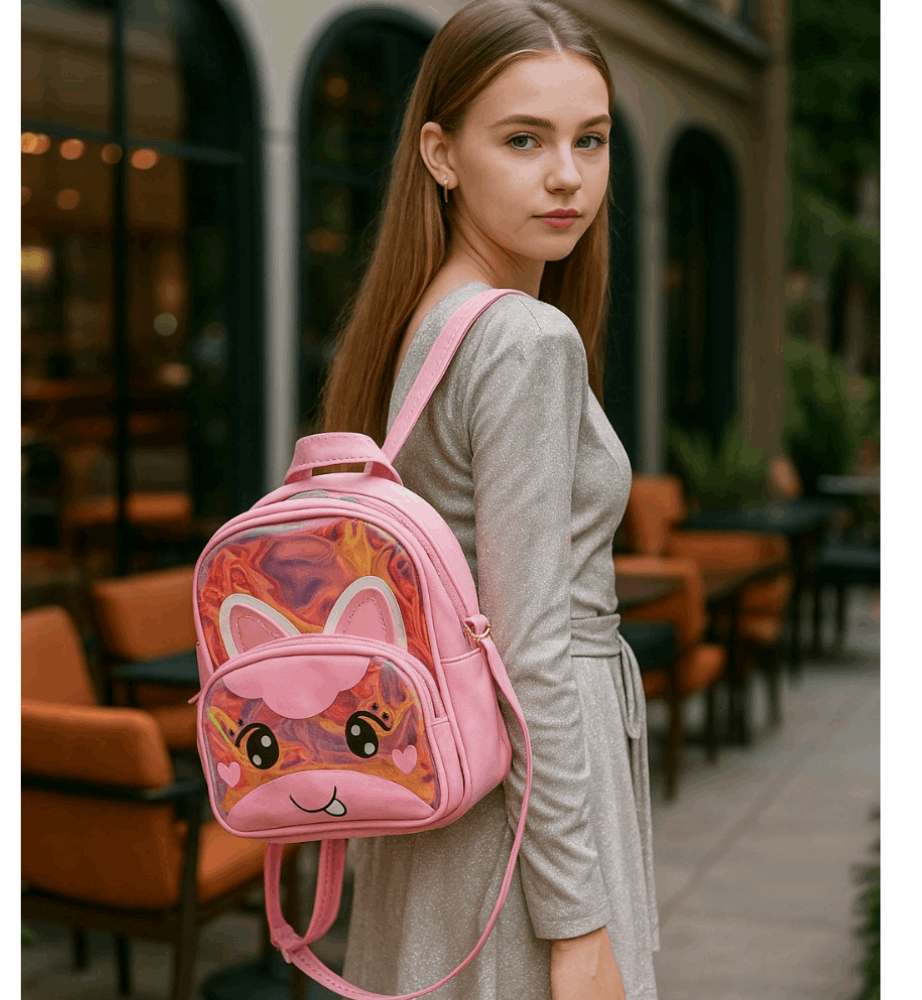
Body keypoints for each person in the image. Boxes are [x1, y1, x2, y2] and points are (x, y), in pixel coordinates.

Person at [320, 2, 659, 998]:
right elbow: (531, 651)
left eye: (590, 140)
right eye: (523, 139)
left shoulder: (427, 322)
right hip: (526, 812)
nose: (567, 176)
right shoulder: (524, 338)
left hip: (444, 790)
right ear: (441, 153)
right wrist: (576, 916)